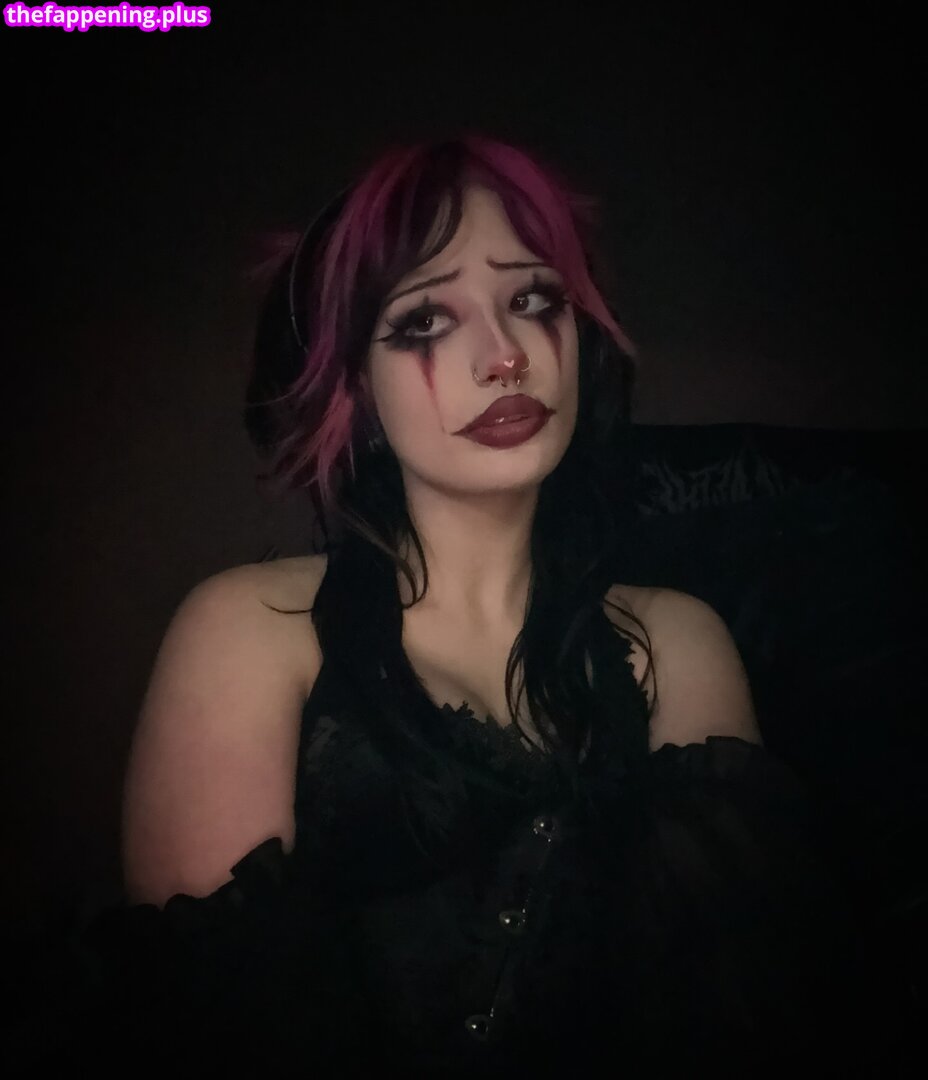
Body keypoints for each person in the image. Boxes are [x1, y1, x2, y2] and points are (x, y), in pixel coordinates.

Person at [38, 133, 866, 1075]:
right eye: (425, 320)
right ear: (356, 383)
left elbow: (735, 1015)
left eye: (533, 300)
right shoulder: (250, 631)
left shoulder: (673, 641)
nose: (505, 355)